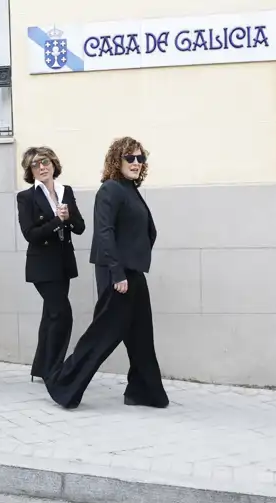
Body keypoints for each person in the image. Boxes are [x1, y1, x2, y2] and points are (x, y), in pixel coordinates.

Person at [44, 136, 169, 410]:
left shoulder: (129, 189)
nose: (136, 163)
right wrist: (117, 273)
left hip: (133, 272)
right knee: (102, 335)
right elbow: (104, 233)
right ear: (117, 160)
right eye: (130, 158)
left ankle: (144, 391)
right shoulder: (110, 189)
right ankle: (62, 384)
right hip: (118, 274)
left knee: (141, 335)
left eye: (140, 158)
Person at [16, 146, 85, 381]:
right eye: (35, 165)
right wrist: (57, 221)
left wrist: (69, 217)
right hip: (42, 266)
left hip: (63, 263)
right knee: (62, 314)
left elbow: (80, 227)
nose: (41, 167)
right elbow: (30, 234)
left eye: (45, 162)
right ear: (30, 171)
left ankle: (42, 369)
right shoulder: (26, 197)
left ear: (53, 164)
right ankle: (55, 370)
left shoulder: (66, 191)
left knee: (51, 315)